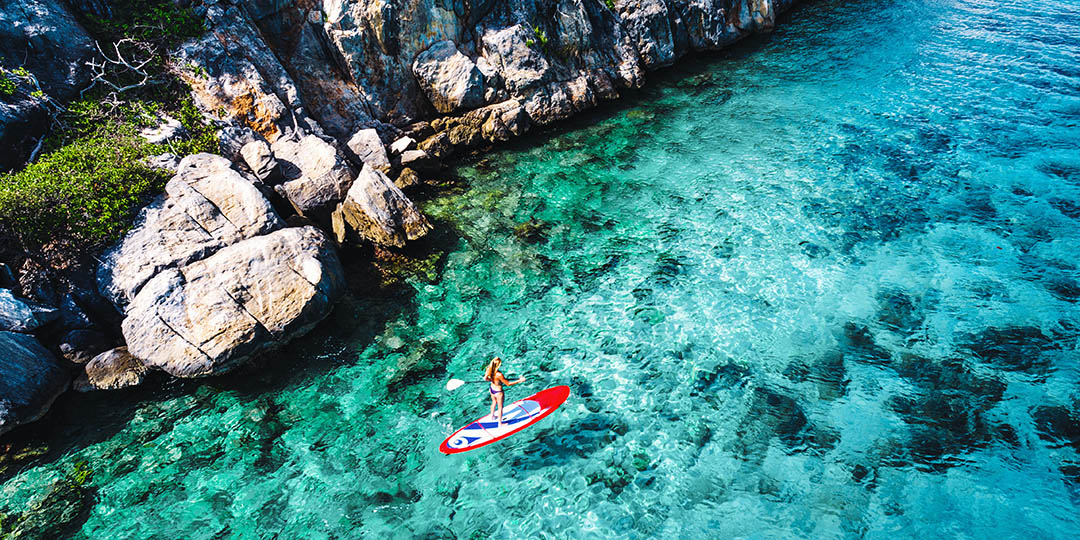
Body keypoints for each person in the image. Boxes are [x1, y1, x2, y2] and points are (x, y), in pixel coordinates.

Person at [483, 356, 526, 426]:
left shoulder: (488, 369)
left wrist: (493, 380)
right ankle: (500, 423)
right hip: (498, 392)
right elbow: (508, 384)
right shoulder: (499, 374)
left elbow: (485, 378)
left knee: (494, 402)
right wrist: (520, 381)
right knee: (500, 408)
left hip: (492, 389)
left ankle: (492, 416)